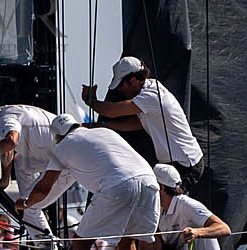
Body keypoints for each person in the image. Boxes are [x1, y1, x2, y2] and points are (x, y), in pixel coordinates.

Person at [16, 114, 159, 250]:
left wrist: (27, 203)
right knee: (128, 242)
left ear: (57, 136)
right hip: (149, 183)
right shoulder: (104, 132)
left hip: (118, 186)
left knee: (81, 243)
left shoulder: (64, 145)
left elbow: (45, 186)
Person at [82, 56, 204, 189]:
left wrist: (91, 101)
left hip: (185, 164)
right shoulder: (148, 93)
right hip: (174, 164)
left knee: (171, 206)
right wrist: (104, 125)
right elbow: (137, 123)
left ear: (133, 80)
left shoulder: (152, 95)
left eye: (120, 85)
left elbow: (111, 110)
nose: (119, 90)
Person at [0, 104, 75, 236]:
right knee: (20, 161)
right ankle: (27, 202)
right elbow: (8, 148)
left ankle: (48, 249)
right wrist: (4, 180)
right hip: (56, 155)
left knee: (28, 206)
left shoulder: (4, 118)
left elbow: (11, 141)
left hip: (67, 161)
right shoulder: (4, 114)